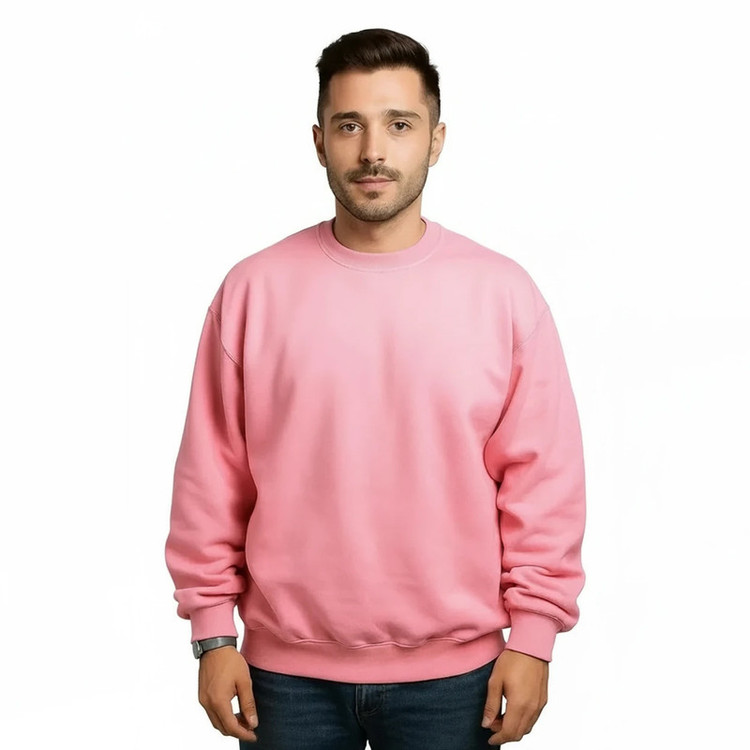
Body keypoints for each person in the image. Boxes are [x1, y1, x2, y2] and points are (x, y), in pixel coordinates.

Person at [165, 27, 587, 750]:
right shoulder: (253, 291)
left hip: (459, 677)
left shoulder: (502, 294)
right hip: (281, 678)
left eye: (399, 124)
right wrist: (211, 634)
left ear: (436, 139)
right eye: (349, 125)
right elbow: (212, 476)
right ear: (318, 141)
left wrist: (535, 637)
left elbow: (544, 481)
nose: (372, 151)